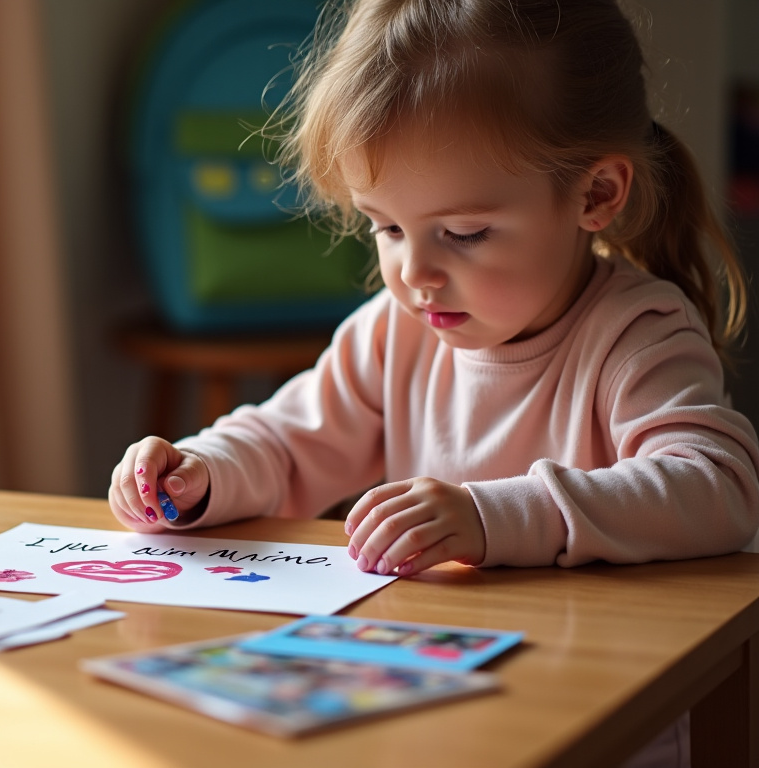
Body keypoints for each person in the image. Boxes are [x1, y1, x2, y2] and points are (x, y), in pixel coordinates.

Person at [109, 0, 759, 579]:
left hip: (611, 690)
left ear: (596, 195)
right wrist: (203, 472)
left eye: (465, 232)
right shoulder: (395, 331)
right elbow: (286, 446)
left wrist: (491, 517)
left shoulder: (637, 334)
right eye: (387, 226)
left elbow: (718, 489)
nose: (414, 274)